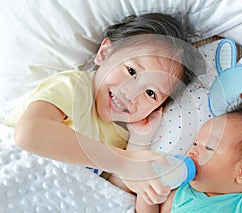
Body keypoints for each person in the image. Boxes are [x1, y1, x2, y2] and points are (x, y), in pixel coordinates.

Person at [5, 13, 205, 205]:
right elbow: (30, 133)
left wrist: (138, 143)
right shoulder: (75, 88)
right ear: (105, 52)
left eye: (151, 93)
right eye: (131, 71)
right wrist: (124, 161)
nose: (130, 93)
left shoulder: (120, 137)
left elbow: (111, 194)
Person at [129, 99, 242, 212]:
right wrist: (147, 191)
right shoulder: (181, 192)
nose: (192, 151)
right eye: (195, 143)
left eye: (209, 148)